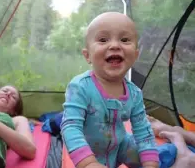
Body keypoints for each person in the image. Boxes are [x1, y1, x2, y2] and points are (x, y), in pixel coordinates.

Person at [60, 12, 159, 168]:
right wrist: (88, 163)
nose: (114, 45)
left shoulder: (134, 93)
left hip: (121, 147)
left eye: (124, 40)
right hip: (89, 152)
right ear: (88, 56)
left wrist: (151, 163)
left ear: (135, 55)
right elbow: (70, 126)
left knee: (151, 156)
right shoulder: (80, 86)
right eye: (103, 40)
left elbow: (143, 131)